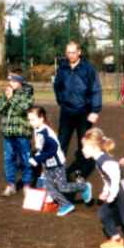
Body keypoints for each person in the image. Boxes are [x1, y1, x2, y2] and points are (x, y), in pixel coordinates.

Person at [27, 106, 92, 217]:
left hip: (57, 163)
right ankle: (65, 205)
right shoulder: (37, 130)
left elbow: (52, 150)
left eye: (32, 120)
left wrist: (36, 159)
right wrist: (38, 157)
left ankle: (84, 187)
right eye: (29, 120)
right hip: (47, 163)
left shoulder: (46, 133)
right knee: (49, 186)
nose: (30, 122)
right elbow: (41, 148)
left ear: (41, 118)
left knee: (62, 186)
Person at [53, 41, 102, 180]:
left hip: (84, 112)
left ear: (79, 52)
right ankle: (57, 172)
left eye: (73, 52)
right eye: (68, 52)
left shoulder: (88, 68)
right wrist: (61, 101)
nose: (70, 55)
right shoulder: (62, 68)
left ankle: (82, 173)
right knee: (61, 143)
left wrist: (95, 110)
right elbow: (57, 86)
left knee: (84, 144)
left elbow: (95, 89)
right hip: (67, 112)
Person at [0, 69, 34, 196]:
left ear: (19, 81)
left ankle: (27, 185)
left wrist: (12, 98)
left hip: (22, 133)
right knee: (8, 159)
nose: (10, 82)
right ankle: (10, 184)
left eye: (13, 80)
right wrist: (7, 98)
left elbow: (23, 109)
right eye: (9, 80)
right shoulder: (6, 93)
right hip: (8, 133)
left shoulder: (27, 94)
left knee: (25, 159)